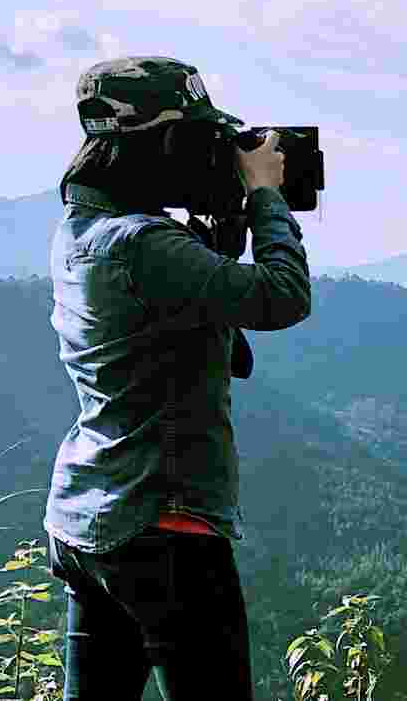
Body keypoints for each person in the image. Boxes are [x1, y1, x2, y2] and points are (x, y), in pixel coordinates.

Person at [42, 56, 311, 700]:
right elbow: (281, 298)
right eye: (196, 138)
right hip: (166, 526)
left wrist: (217, 236)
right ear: (161, 144)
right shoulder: (144, 243)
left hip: (88, 519)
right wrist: (267, 195)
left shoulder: (81, 231)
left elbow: (196, 333)